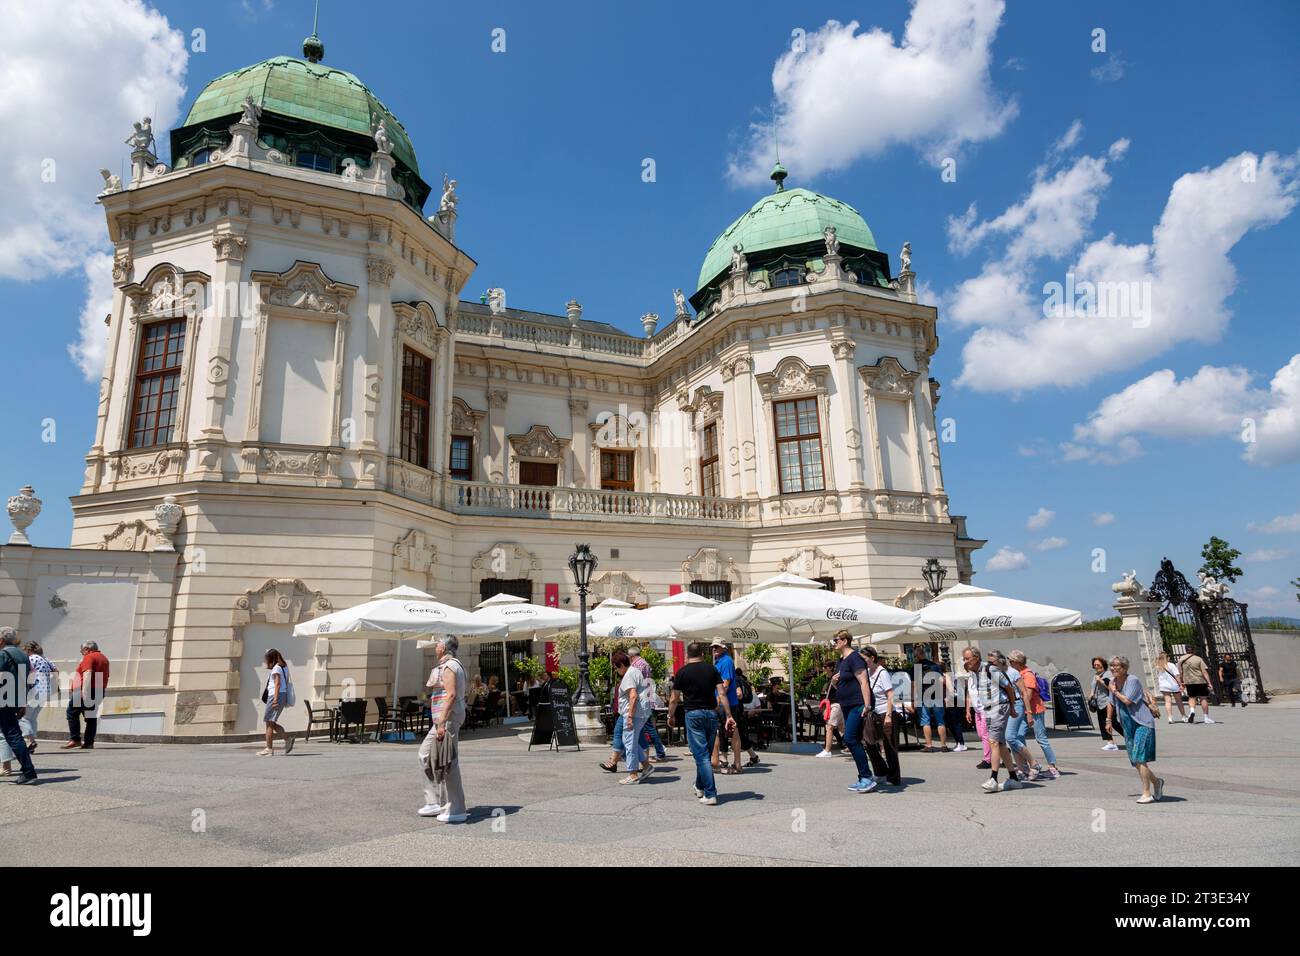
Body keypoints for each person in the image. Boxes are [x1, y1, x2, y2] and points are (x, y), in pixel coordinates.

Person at [666, 642, 735, 805]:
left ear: (687, 655)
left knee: (702, 755)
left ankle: (710, 793)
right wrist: (729, 715)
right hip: (711, 714)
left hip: (693, 714)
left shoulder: (682, 672)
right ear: (702, 654)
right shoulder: (712, 669)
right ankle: (700, 786)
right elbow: (722, 692)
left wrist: (670, 715)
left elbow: (674, 698)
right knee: (704, 754)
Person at [418, 636, 469, 821]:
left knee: (448, 760)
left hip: (447, 718)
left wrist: (441, 722)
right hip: (443, 719)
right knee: (426, 755)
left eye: (438, 642)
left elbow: (451, 694)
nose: (436, 645)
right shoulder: (449, 665)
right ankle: (434, 802)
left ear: (444, 647)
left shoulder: (450, 666)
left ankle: (456, 809)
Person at [1106, 655, 1164, 803]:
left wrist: (1114, 691)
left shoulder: (1133, 680)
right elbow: (1111, 703)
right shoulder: (1113, 682)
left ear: (1124, 667)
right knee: (1135, 761)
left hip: (1142, 723)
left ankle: (1146, 793)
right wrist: (1108, 720)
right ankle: (1157, 782)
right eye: (1111, 666)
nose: (1112, 668)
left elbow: (1127, 700)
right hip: (1127, 725)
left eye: (1116, 666)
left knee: (1139, 757)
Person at [831, 630, 878, 793]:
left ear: (845, 641)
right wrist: (834, 682)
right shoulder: (842, 660)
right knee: (856, 739)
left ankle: (867, 777)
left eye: (836, 640)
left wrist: (867, 705)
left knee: (850, 739)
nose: (834, 643)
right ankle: (865, 776)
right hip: (846, 704)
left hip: (857, 704)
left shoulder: (854, 658)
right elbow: (842, 684)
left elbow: (864, 682)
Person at [1009, 650, 1060, 779]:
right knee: (1018, 736)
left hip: (1034, 710)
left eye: (1011, 661)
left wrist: (1028, 712)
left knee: (1041, 738)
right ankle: (1025, 765)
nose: (1009, 664)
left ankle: (1053, 767)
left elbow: (1029, 695)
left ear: (1017, 662)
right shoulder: (1019, 673)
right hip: (1026, 711)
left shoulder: (1028, 675)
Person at [978, 651, 1023, 793]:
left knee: (994, 742)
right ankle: (1014, 778)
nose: (991, 664)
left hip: (999, 707)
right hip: (990, 709)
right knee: (1001, 744)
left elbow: (1009, 688)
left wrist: (1013, 707)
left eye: (993, 661)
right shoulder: (981, 671)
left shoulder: (992, 670)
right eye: (989, 661)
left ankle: (993, 779)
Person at [711, 641, 758, 773]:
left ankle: (736, 764)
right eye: (713, 647)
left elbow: (725, 684)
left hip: (728, 703)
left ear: (723, 648)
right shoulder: (719, 661)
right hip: (726, 703)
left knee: (733, 732)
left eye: (717, 647)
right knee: (726, 732)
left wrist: (718, 700)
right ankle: (730, 762)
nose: (714, 649)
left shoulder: (726, 661)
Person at [0, 628, 37, 783]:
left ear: (1, 640)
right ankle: (28, 772)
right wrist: (23, 703)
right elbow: (29, 680)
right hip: (15, 700)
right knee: (13, 734)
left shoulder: (3, 654)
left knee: (13, 735)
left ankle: (29, 772)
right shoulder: (23, 655)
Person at [613, 650, 654, 785]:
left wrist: (629, 716)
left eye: (616, 668)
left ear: (621, 666)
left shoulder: (628, 675)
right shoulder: (635, 671)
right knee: (631, 740)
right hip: (642, 712)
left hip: (634, 714)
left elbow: (633, 695)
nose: (616, 671)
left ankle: (633, 773)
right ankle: (646, 765)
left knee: (629, 742)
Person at [861, 646, 900, 786]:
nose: (862, 661)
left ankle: (894, 777)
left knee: (890, 745)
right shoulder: (866, 673)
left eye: (864, 659)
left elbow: (890, 695)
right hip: (874, 714)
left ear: (872, 658)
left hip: (885, 712)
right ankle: (881, 771)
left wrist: (889, 715)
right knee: (868, 741)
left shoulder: (882, 672)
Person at [63, 641, 110, 750]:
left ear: (87, 650)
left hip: (86, 690)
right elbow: (106, 676)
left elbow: (87, 673)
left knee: (72, 712)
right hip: (99, 690)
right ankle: (89, 742)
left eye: (82, 651)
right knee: (91, 716)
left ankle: (75, 739)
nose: (81, 653)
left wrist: (84, 691)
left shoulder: (89, 657)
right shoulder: (104, 659)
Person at [629, 646, 668, 762]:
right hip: (647, 697)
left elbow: (635, 684)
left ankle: (660, 752)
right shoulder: (645, 663)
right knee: (645, 728)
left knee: (648, 728)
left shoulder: (636, 665)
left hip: (641, 700)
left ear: (631, 656)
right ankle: (642, 753)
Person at [257, 649, 295, 756]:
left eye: (267, 660)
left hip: (275, 696)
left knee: (269, 722)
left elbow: (277, 684)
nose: (265, 662)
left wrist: (274, 700)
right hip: (280, 695)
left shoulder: (276, 668)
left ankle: (269, 749)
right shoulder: (284, 667)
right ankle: (287, 739)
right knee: (271, 723)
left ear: (271, 659)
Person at [961, 647, 994, 769]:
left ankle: (988, 760)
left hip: (987, 709)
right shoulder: (972, 674)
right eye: (964, 658)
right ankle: (1002, 750)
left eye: (968, 658)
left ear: (976, 657)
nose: (966, 661)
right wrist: (967, 710)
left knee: (985, 735)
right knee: (981, 735)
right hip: (977, 710)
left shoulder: (987, 669)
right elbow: (970, 693)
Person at [913, 647, 950, 752]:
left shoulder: (916, 667)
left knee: (926, 721)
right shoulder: (935, 666)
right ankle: (944, 745)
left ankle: (929, 745)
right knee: (940, 721)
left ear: (918, 656)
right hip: (937, 696)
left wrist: (914, 699)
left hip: (923, 696)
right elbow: (942, 680)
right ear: (924, 654)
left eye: (915, 656)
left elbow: (914, 684)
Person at [1088, 656, 1121, 751]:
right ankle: (1110, 742)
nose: (1096, 666)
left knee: (1114, 723)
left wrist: (1101, 681)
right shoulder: (1095, 675)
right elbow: (1093, 687)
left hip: (1108, 702)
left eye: (1098, 664)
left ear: (1103, 664)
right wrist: (1091, 694)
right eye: (1094, 665)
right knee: (1102, 723)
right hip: (1099, 703)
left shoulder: (1108, 674)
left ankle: (1130, 738)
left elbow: (1111, 688)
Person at [817, 659, 844, 758]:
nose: (823, 669)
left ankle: (827, 750)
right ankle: (858, 744)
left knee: (829, 726)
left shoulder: (836, 677)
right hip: (832, 705)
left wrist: (833, 683)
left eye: (825, 667)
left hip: (836, 704)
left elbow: (841, 690)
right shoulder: (828, 679)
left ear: (831, 668)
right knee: (842, 729)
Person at [1180, 650, 1215, 724]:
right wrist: (1209, 682)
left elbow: (1180, 671)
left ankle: (1192, 711)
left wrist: (1181, 681)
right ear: (1193, 651)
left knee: (1192, 697)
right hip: (1200, 680)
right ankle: (1206, 717)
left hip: (1189, 681)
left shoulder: (1181, 659)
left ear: (1186, 650)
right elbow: (1204, 671)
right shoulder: (1198, 659)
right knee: (1203, 698)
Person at [1154, 652, 1186, 724]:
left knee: (1168, 701)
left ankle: (1170, 717)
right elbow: (1177, 676)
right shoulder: (1171, 665)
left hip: (1163, 685)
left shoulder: (1158, 666)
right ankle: (1183, 716)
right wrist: (1180, 685)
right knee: (1179, 701)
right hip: (1173, 685)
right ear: (1167, 658)